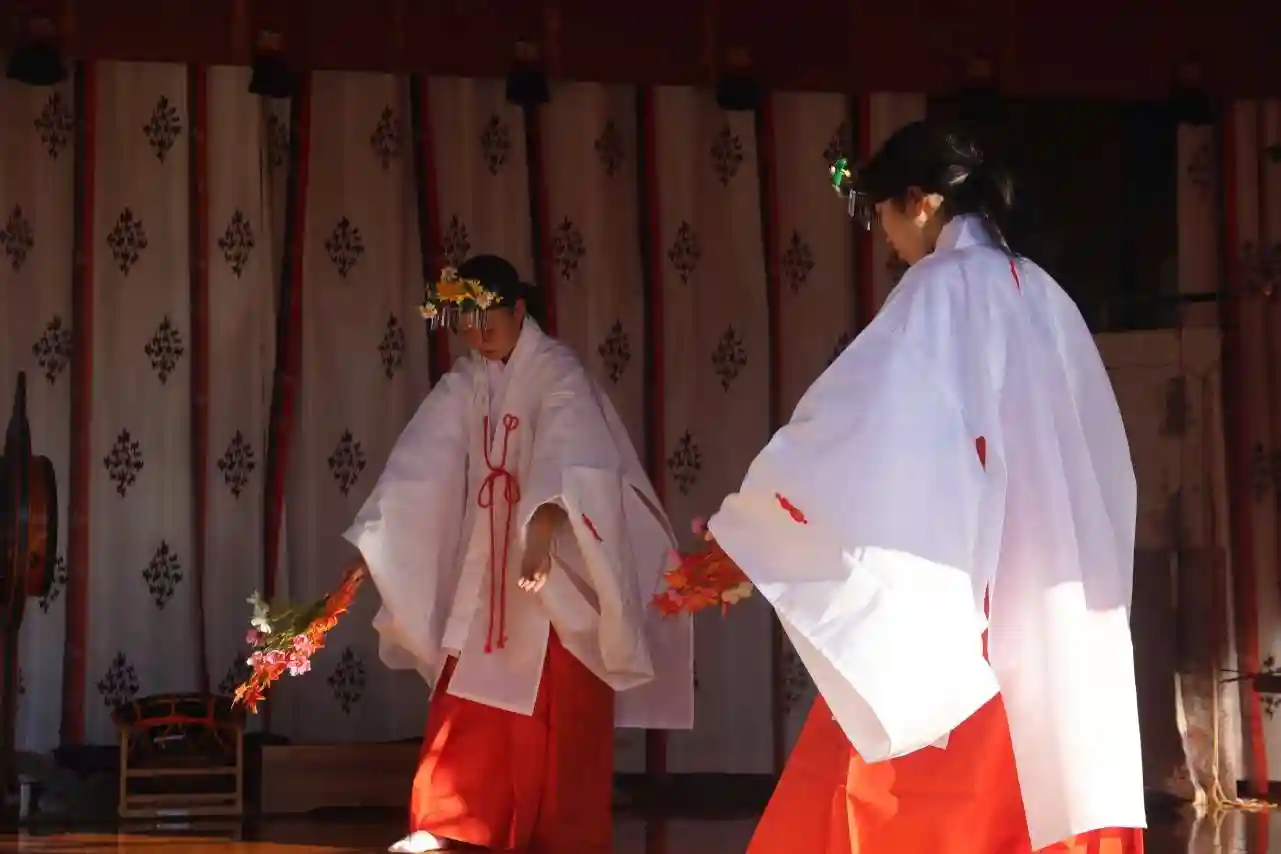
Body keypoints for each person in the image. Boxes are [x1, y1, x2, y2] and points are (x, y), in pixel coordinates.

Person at [711, 121, 1146, 853]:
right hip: (1053, 593)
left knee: (884, 791)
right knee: (1048, 774)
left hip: (966, 592)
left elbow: (863, 424)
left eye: (882, 213)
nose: (883, 235)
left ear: (919, 202)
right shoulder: (1046, 294)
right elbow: (1101, 455)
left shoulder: (939, 287)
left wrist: (757, 529)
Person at [342, 255, 693, 853]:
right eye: (468, 323)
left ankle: (559, 834)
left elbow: (573, 457)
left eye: (489, 320)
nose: (479, 334)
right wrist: (374, 542)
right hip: (486, 560)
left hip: (551, 565)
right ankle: (450, 823)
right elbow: (418, 467)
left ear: (519, 311)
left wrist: (541, 533)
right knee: (468, 690)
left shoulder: (556, 371)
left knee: (560, 700)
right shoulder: (466, 381)